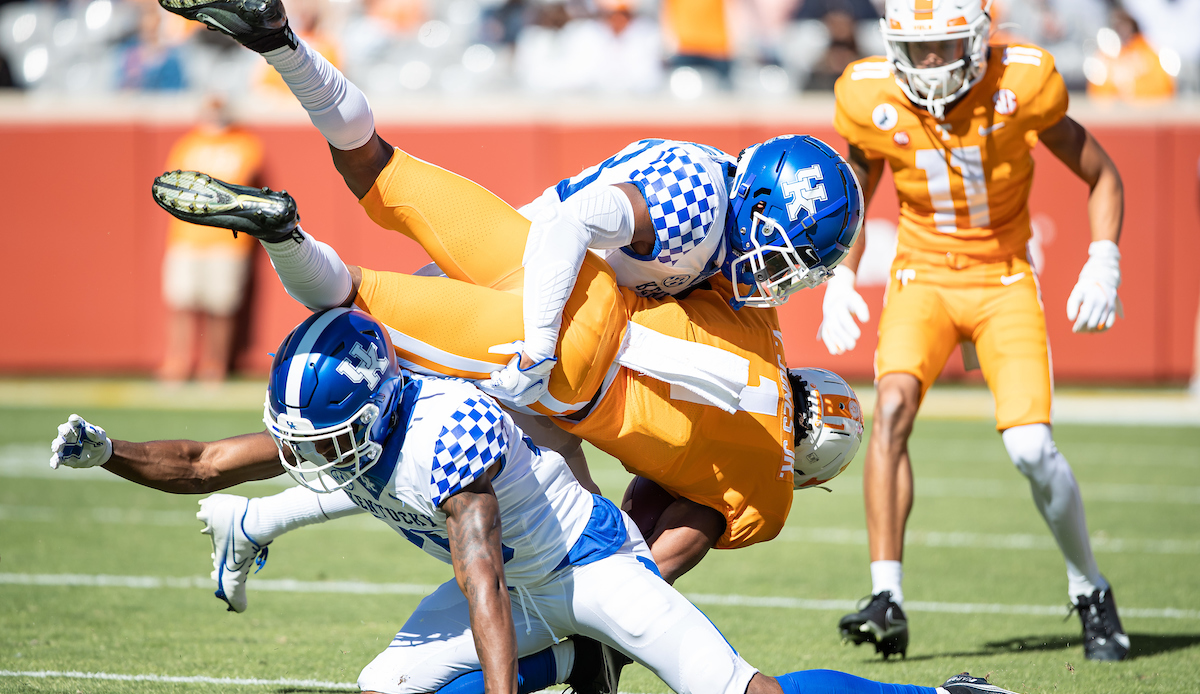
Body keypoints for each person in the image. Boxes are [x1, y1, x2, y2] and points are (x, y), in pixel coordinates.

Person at [48, 306, 1074, 694]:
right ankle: (563, 664)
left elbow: (486, 574)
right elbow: (196, 462)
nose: (310, 452)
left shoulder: (442, 437)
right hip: (516, 573)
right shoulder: (360, 426)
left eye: (326, 439)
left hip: (583, 565)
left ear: (374, 411)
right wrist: (109, 456)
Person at [149, 168, 864, 614]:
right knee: (402, 429)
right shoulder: (762, 496)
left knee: (388, 402)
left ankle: (252, 519)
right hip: (556, 377)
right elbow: (647, 558)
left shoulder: (756, 314)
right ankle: (287, 243)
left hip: (560, 289)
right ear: (812, 471)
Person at [154, 0, 863, 417]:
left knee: (376, 166)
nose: (781, 282)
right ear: (760, 207)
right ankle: (285, 234)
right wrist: (539, 346)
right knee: (360, 316)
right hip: (534, 283)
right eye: (786, 259)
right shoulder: (694, 205)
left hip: (523, 259)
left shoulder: (718, 204)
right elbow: (569, 226)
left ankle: (281, 42)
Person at [819, 0, 1130, 660]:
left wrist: (1104, 259)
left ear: (981, 39)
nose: (931, 63)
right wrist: (841, 276)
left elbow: (1102, 174)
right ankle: (887, 597)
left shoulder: (1022, 85)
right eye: (918, 48)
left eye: (946, 46)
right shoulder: (870, 95)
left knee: (1031, 450)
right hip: (921, 276)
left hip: (1002, 278)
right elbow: (856, 188)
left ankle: (1090, 589)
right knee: (893, 409)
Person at [156, 94, 264, 383]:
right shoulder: (188, 143)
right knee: (181, 303)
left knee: (221, 307)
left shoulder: (244, 144)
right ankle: (177, 363)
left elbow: (241, 183)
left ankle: (214, 366)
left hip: (227, 241)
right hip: (187, 238)